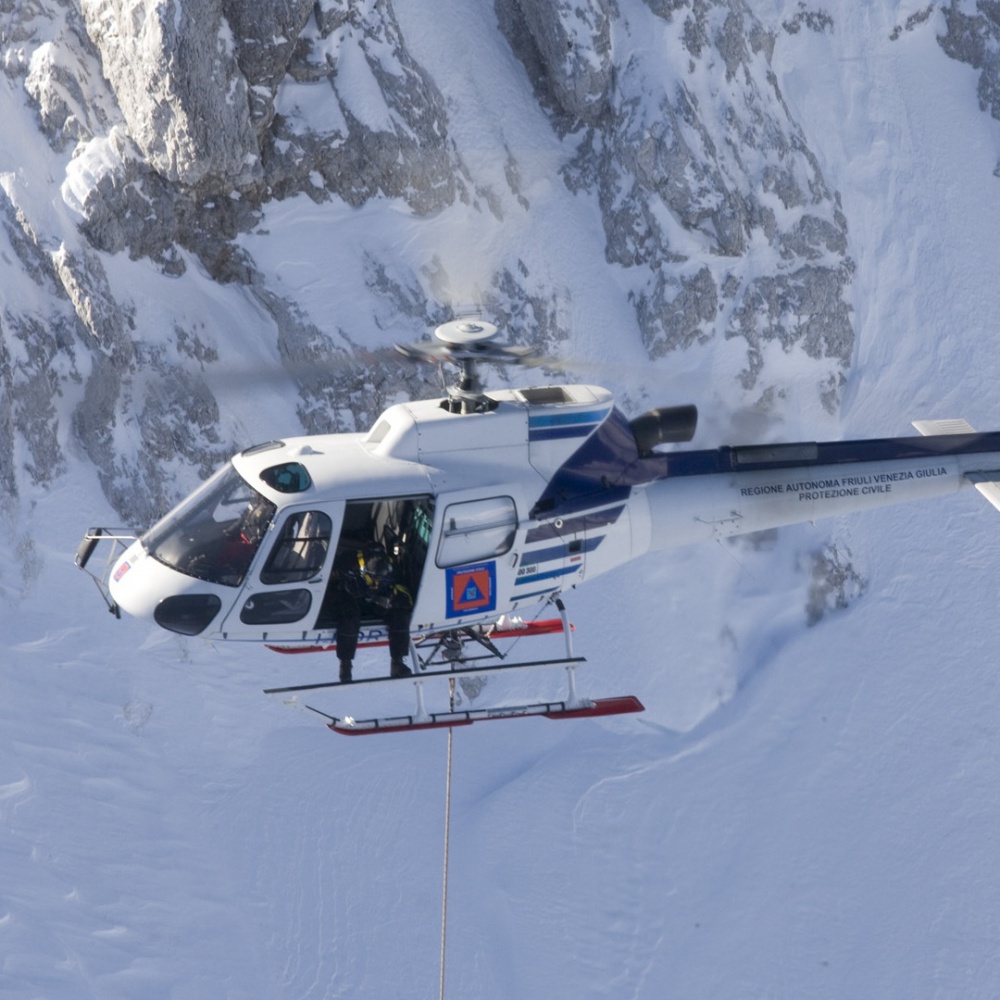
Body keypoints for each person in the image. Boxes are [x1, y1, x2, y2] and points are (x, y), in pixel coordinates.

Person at [332, 542, 414, 683]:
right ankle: (345, 664)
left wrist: (393, 599)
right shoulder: (349, 563)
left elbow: (400, 588)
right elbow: (342, 578)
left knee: (400, 615)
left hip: (376, 603)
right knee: (349, 616)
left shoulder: (390, 570)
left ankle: (397, 662)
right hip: (353, 600)